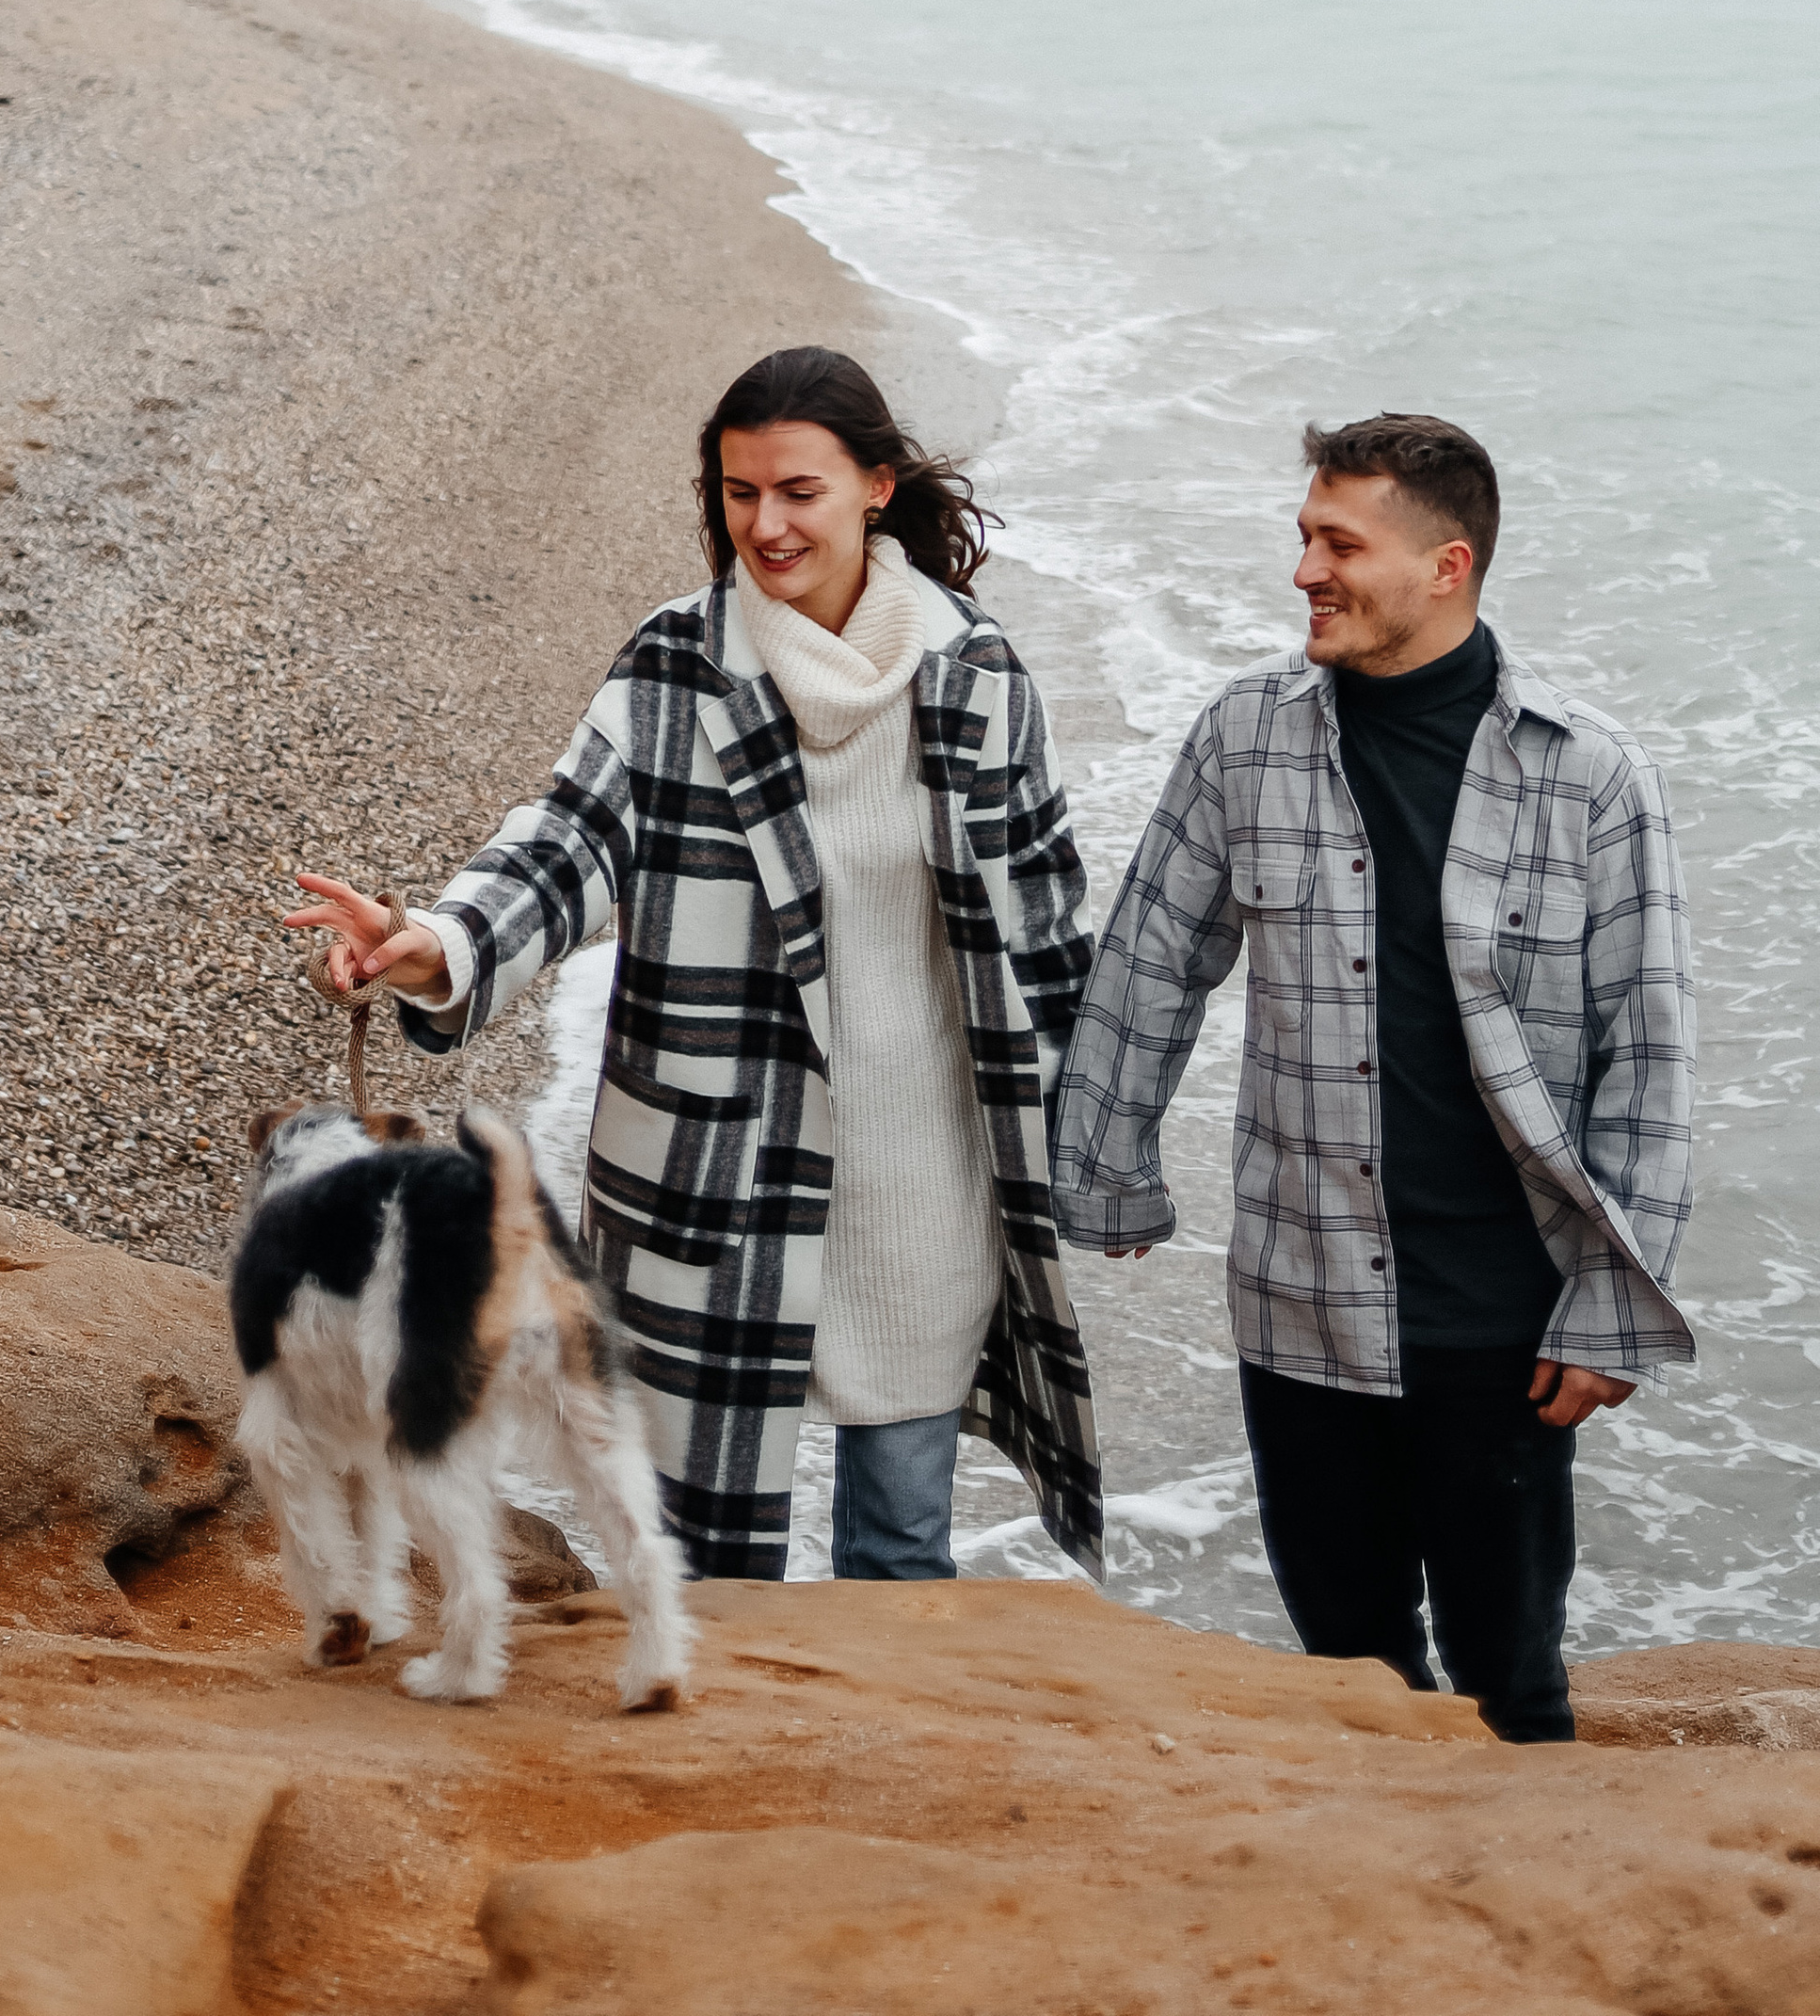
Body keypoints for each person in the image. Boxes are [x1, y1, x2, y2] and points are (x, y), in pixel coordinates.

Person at [289, 344, 1102, 1585]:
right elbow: (571, 842)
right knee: (704, 1575)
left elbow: (1046, 926)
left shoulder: (976, 677)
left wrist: (1101, 1150)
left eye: (798, 492)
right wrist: (436, 943)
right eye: (737, 494)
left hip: (917, 1186)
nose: (764, 526)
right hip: (711, 1179)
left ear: (877, 488)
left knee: (898, 1556)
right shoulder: (677, 667)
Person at [1051, 412, 1695, 1741]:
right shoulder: (1245, 736)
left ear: (1445, 566)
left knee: (1512, 1676)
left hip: (1503, 1323)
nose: (1304, 571)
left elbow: (1651, 1050)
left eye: (1339, 543)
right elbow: (1150, 960)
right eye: (1304, 537)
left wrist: (1613, 1309)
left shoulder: (1590, 777)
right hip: (1304, 1298)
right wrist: (1103, 1170)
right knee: (1344, 1669)